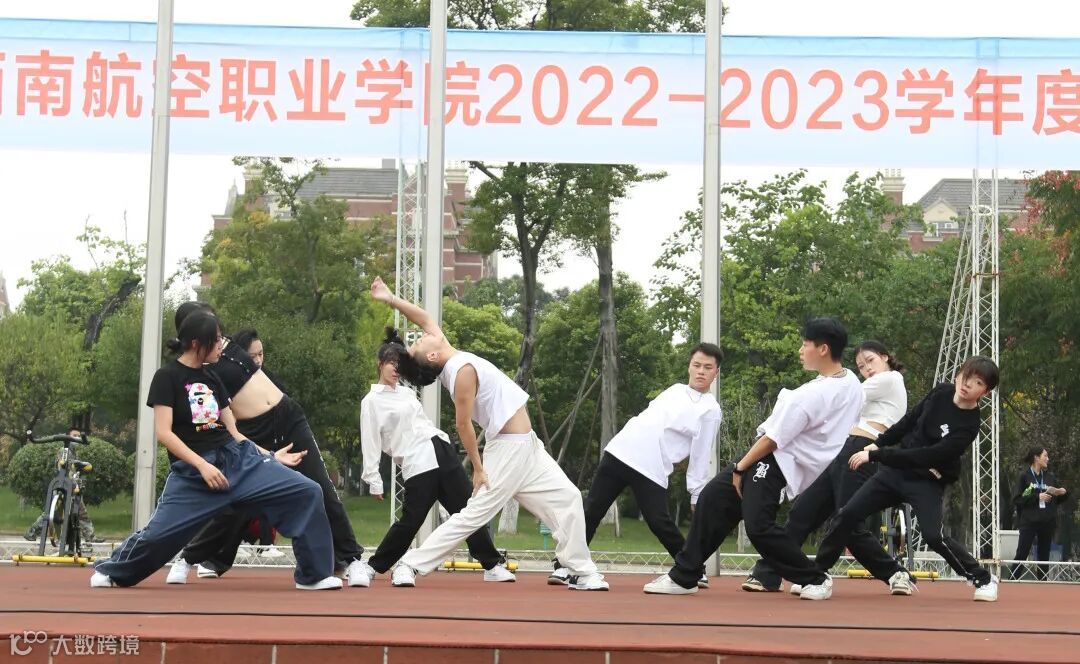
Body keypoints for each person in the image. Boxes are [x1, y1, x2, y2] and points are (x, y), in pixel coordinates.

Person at [370, 276, 609, 590]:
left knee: (569, 498)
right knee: (472, 515)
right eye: (418, 343)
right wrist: (479, 468)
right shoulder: (461, 372)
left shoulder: (451, 355)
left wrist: (390, 299)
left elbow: (424, 318)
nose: (423, 335)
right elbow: (463, 425)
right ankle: (411, 563)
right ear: (432, 355)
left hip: (529, 448)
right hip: (508, 450)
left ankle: (577, 567)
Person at [90, 311, 340, 590]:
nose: (223, 345)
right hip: (193, 473)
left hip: (238, 462)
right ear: (197, 343)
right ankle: (113, 571)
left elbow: (235, 434)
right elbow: (164, 433)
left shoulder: (213, 378)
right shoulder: (167, 377)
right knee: (158, 535)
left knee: (307, 491)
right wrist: (202, 466)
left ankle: (313, 576)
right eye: (217, 339)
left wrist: (271, 457)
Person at [643, 318, 863, 596]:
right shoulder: (851, 381)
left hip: (772, 461)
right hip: (778, 461)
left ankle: (815, 578)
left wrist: (740, 467)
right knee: (713, 498)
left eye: (805, 344)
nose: (800, 350)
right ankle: (684, 576)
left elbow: (773, 439)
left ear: (822, 349)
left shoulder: (810, 395)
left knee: (758, 526)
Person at [166, 314, 365, 585]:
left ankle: (350, 559)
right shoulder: (197, 373)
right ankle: (192, 558)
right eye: (211, 331)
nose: (219, 336)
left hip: (288, 418)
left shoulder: (232, 346)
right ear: (194, 338)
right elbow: (213, 422)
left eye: (218, 329)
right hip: (251, 431)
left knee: (320, 486)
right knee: (237, 501)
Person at [806, 356, 1002, 602]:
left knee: (934, 537)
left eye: (978, 382)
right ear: (957, 374)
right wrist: (878, 443)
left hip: (927, 480)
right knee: (847, 515)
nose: (967, 384)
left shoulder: (969, 425)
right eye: (966, 376)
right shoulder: (941, 392)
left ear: (985, 392)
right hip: (893, 474)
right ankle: (818, 576)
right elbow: (909, 421)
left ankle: (983, 578)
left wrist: (877, 455)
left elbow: (928, 456)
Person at [742, 340, 911, 595]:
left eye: (870, 360)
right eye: (861, 366)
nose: (867, 368)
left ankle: (892, 573)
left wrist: (805, 398)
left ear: (885, 357)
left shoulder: (891, 379)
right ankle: (768, 574)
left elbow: (845, 395)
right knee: (802, 512)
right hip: (840, 451)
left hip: (861, 451)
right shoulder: (869, 390)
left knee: (847, 522)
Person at [350, 327, 515, 586]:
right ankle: (372, 567)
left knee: (468, 511)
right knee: (412, 519)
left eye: (400, 364)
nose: (396, 369)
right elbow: (370, 441)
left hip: (440, 448)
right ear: (380, 364)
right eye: (391, 363)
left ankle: (492, 564)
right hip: (416, 461)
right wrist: (374, 480)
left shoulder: (407, 393)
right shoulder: (371, 401)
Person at [548, 343, 722, 587]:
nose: (701, 371)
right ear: (689, 366)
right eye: (697, 365)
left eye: (708, 367)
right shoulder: (674, 390)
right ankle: (567, 565)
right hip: (620, 452)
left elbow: (701, 453)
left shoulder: (710, 410)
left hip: (651, 467)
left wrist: (697, 492)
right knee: (591, 510)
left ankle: (692, 567)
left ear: (716, 372)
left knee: (659, 521)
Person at [24, 428, 103, 553]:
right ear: (68, 436)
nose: (76, 438)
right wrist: (79, 464)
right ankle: (32, 532)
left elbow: (72, 466)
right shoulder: (64, 450)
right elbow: (64, 464)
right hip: (64, 485)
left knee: (79, 513)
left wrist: (80, 466)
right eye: (74, 435)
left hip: (71, 485)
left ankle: (90, 536)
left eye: (78, 436)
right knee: (52, 513)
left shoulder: (73, 451)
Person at [1011, 446, 1067, 580]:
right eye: (1045, 456)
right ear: (1036, 457)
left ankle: (1043, 583)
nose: (1048, 459)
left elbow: (1056, 501)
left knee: (1044, 556)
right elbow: (1018, 499)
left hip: (1047, 522)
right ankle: (1011, 580)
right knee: (1022, 553)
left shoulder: (1049, 477)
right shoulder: (1024, 476)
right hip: (1029, 522)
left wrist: (1062, 493)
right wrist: (1038, 497)